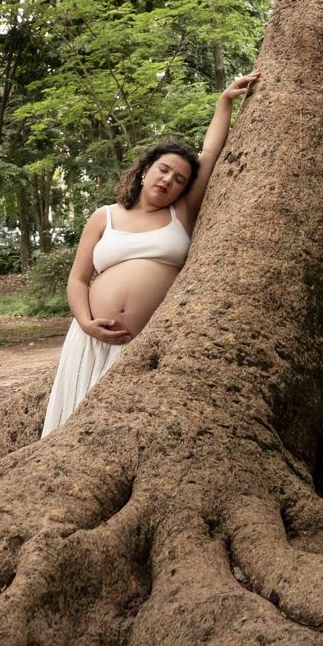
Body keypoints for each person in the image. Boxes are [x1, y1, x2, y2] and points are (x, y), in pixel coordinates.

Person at [41, 73, 259, 436]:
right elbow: (78, 279)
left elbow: (209, 154)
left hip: (146, 347)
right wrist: (84, 321)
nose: (168, 181)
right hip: (92, 341)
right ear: (145, 170)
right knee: (76, 428)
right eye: (163, 170)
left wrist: (225, 102)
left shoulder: (182, 213)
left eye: (179, 179)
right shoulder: (104, 216)